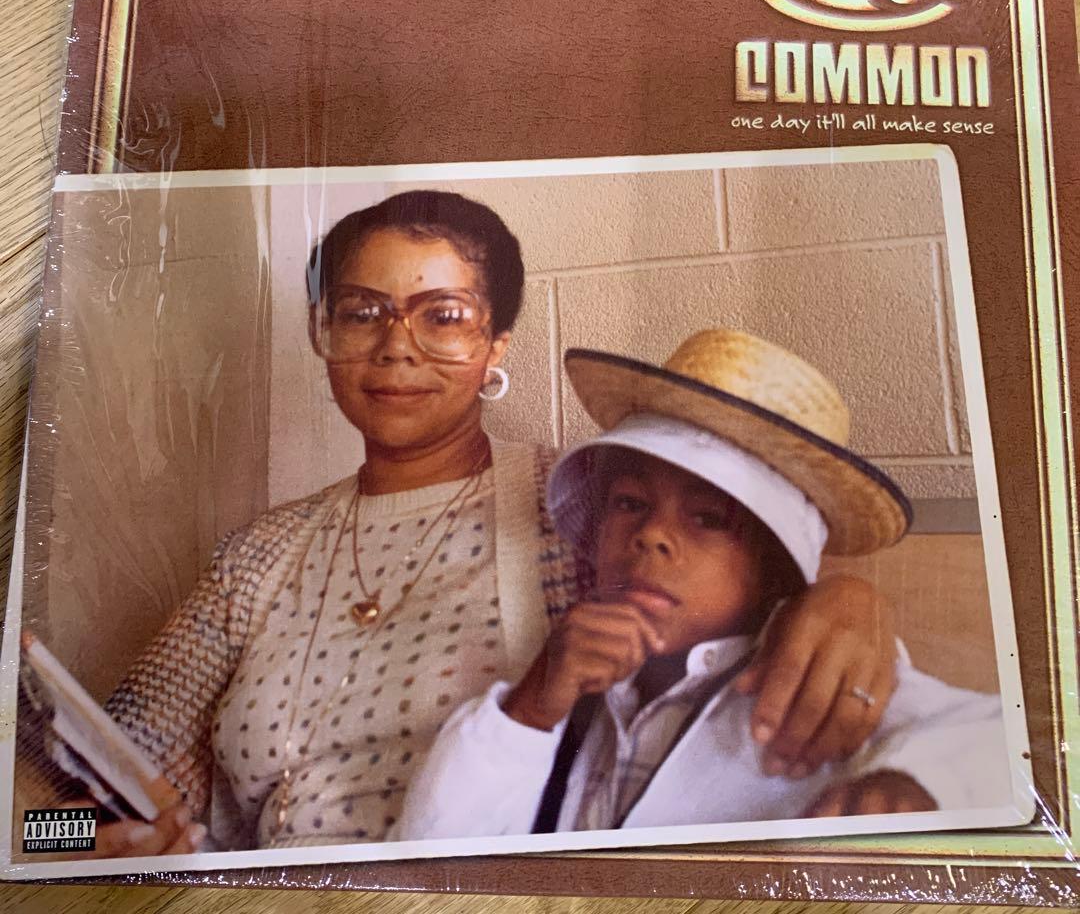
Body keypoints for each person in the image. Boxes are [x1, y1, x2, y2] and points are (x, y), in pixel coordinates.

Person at [90, 191, 899, 855]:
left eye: (442, 316)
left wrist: (843, 598)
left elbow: (727, 586)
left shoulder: (575, 502)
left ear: (497, 345)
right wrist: (80, 837)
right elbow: (97, 772)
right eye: (362, 312)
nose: (395, 348)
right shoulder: (260, 554)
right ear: (321, 332)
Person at [396, 330, 1011, 840]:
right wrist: (531, 708)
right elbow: (431, 849)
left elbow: (1001, 737)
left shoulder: (820, 677)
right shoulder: (578, 686)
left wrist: (913, 786)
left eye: (709, 518)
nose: (651, 536)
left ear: (776, 565)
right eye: (629, 503)